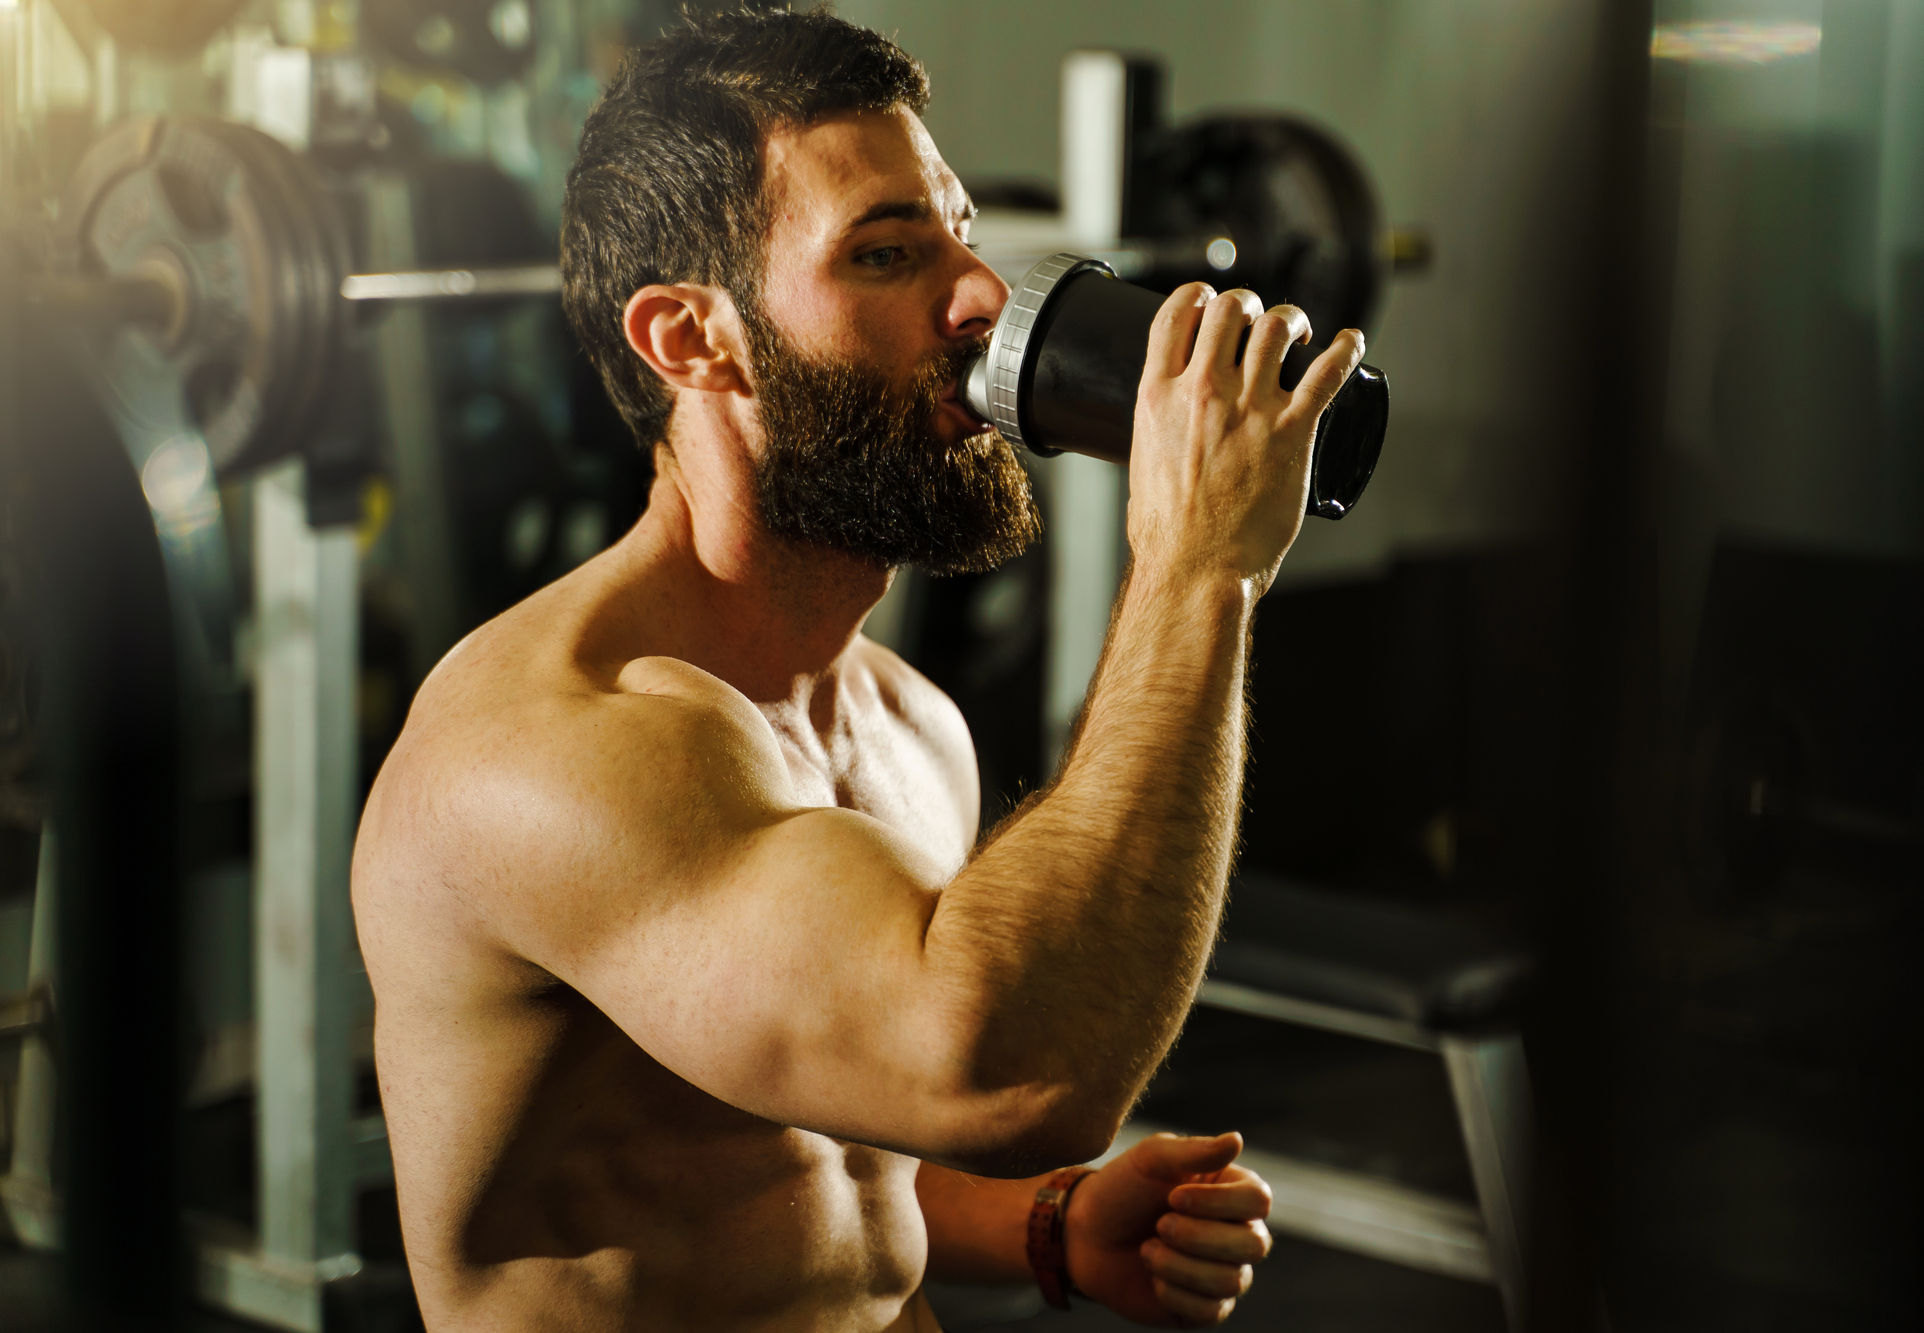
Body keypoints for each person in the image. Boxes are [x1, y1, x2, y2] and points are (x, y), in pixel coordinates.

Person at [352, 7, 1362, 1330]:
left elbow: (823, 1137)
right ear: (691, 340)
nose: (981, 298)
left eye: (958, 236)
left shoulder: (901, 719)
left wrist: (1044, 1224)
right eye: (886, 254)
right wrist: (1196, 565)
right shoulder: (556, 752)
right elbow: (1017, 1076)